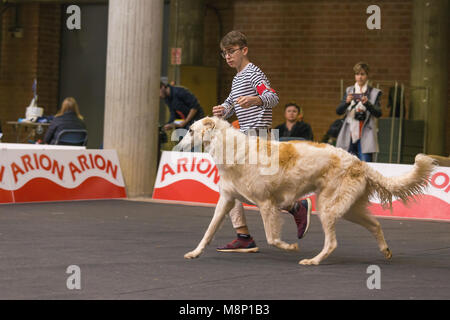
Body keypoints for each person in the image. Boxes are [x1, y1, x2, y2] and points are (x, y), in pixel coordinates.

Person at [212, 30, 312, 253]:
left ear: (244, 50)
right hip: (246, 139)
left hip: (258, 137)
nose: (227, 57)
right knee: (240, 187)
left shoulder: (253, 73)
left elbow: (272, 97)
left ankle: (247, 235)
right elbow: (231, 103)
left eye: (231, 51)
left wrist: (254, 99)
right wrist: (223, 109)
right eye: (224, 53)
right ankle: (290, 210)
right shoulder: (238, 78)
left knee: (237, 187)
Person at [336, 62, 382, 162]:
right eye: (357, 74)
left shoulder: (374, 92)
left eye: (362, 74)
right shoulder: (349, 90)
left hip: (366, 132)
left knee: (365, 165)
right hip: (349, 131)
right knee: (346, 164)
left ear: (367, 75)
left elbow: (378, 113)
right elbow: (338, 111)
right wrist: (347, 102)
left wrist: (367, 103)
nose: (359, 77)